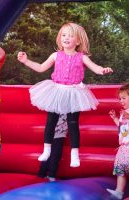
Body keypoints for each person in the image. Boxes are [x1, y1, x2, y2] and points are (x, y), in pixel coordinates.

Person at [17, 22, 113, 167]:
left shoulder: (81, 57)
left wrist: (102, 70)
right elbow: (41, 67)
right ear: (59, 38)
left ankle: (75, 154)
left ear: (78, 41)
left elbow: (95, 67)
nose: (66, 38)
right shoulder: (56, 55)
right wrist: (26, 61)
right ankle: (47, 149)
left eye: (70, 35)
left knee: (73, 123)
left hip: (74, 92)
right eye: (63, 35)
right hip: (57, 90)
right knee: (51, 121)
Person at [38, 114, 67, 182]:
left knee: (52, 154)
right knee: (55, 155)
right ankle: (49, 174)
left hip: (59, 132)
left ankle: (43, 173)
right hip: (55, 132)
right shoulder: (56, 106)